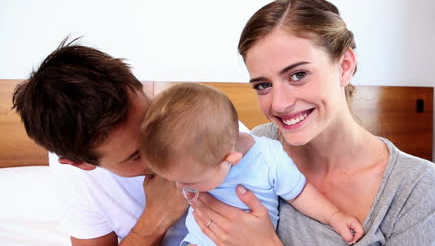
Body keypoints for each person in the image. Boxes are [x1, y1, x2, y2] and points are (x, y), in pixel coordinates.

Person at [188, 0, 435, 245]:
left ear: (345, 66)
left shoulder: (417, 188)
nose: (279, 103)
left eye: (298, 75)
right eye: (263, 85)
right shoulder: (257, 147)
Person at [139, 82, 364, 246]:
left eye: (189, 181)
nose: (179, 187)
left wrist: (334, 216)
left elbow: (300, 192)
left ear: (230, 160)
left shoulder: (269, 159)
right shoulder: (197, 159)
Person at [12, 38, 189, 246]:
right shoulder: (75, 170)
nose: (160, 150)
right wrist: (155, 219)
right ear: (81, 164)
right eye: (137, 155)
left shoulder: (208, 123)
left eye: (154, 122)